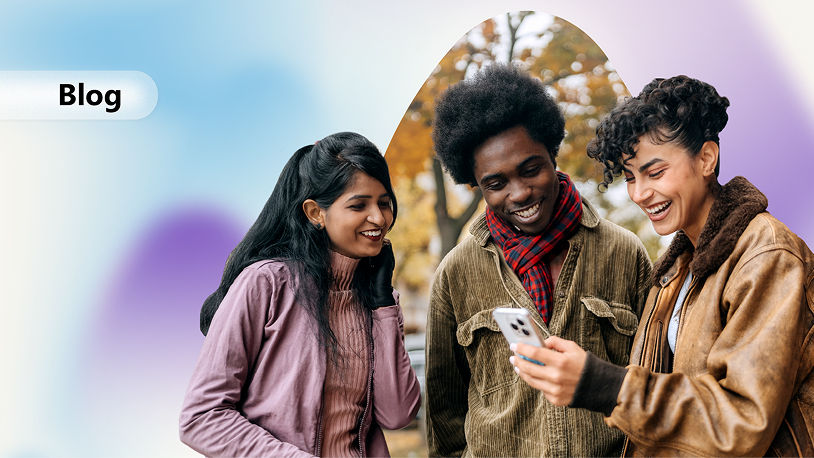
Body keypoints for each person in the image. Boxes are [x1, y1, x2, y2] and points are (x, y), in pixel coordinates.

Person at [511, 75, 814, 456]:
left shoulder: (767, 253)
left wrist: (605, 385)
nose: (640, 193)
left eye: (655, 173)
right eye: (630, 177)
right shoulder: (676, 266)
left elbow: (743, 419)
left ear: (706, 158)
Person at [424, 63, 653, 457]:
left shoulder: (624, 253)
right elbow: (445, 419)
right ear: (475, 185)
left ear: (553, 153)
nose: (519, 193)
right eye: (495, 184)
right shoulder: (455, 273)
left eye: (531, 170)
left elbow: (651, 385)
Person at [179, 132, 421, 458]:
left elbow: (397, 414)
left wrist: (381, 304)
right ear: (315, 213)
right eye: (358, 205)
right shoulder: (266, 284)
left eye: (383, 202)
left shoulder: (378, 301)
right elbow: (201, 417)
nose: (378, 218)